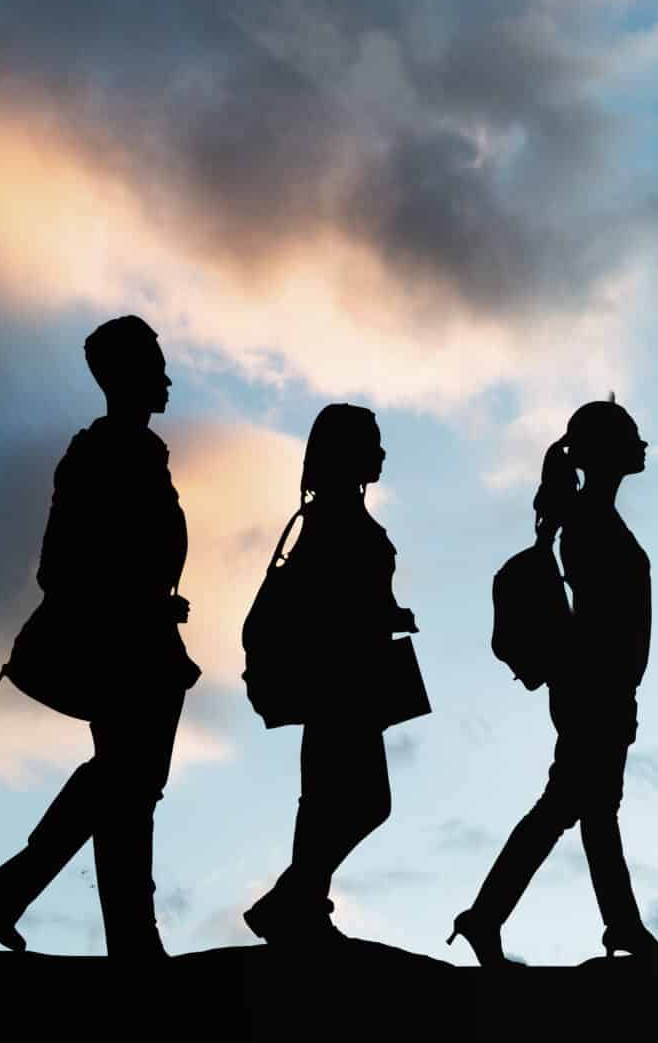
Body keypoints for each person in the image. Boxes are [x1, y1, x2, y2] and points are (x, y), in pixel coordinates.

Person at [0, 315, 201, 957]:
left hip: (146, 641)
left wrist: (154, 602)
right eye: (154, 365)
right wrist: (128, 603)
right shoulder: (97, 454)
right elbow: (58, 565)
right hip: (120, 648)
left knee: (127, 783)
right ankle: (130, 937)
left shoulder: (142, 454)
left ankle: (27, 888)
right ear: (122, 375)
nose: (167, 378)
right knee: (128, 786)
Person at [450, 399, 658, 965]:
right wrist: (614, 684)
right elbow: (603, 616)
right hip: (595, 688)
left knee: (586, 808)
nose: (642, 445)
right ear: (605, 452)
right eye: (631, 436)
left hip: (599, 686)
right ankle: (495, 916)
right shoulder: (590, 520)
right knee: (570, 806)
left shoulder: (590, 515)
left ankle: (612, 925)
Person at [242, 403, 421, 944]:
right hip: (338, 682)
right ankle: (295, 901)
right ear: (347, 453)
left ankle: (300, 903)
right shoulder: (331, 519)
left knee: (330, 801)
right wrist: (380, 615)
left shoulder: (334, 515)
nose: (382, 453)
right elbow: (330, 603)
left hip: (352, 679)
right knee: (355, 801)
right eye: (373, 443)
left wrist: (386, 615)